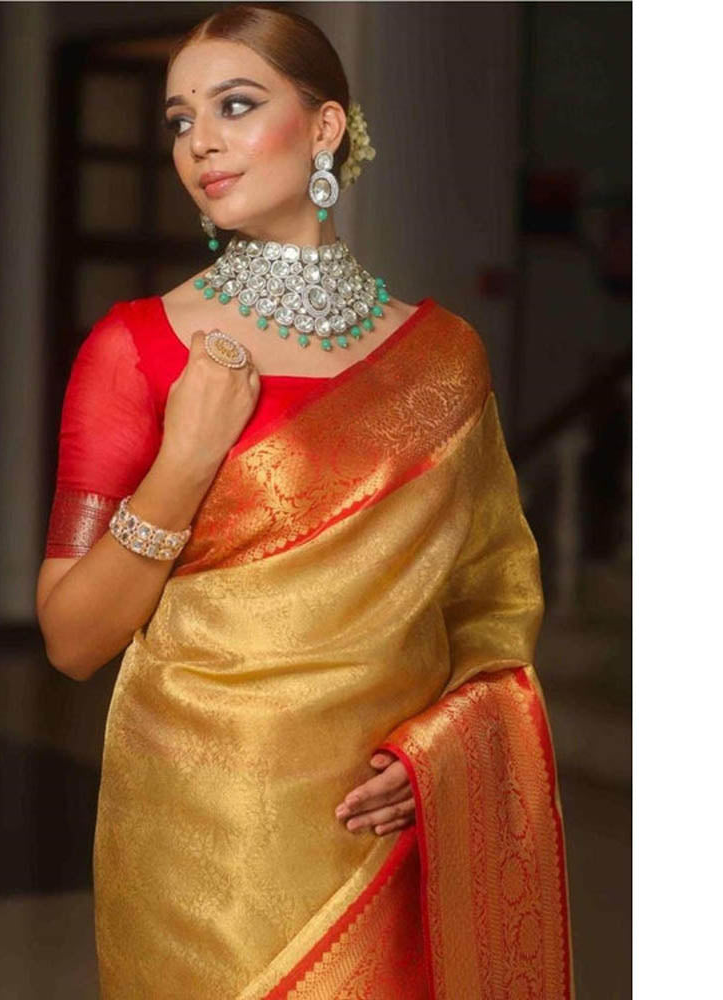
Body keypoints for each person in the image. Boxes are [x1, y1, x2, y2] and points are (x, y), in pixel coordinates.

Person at [35, 5, 573, 997]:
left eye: (235, 105)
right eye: (179, 118)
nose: (199, 140)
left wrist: (436, 759)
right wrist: (184, 462)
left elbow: (492, 601)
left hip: (382, 831)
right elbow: (71, 638)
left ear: (324, 127)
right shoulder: (136, 348)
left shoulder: (443, 360)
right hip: (196, 843)